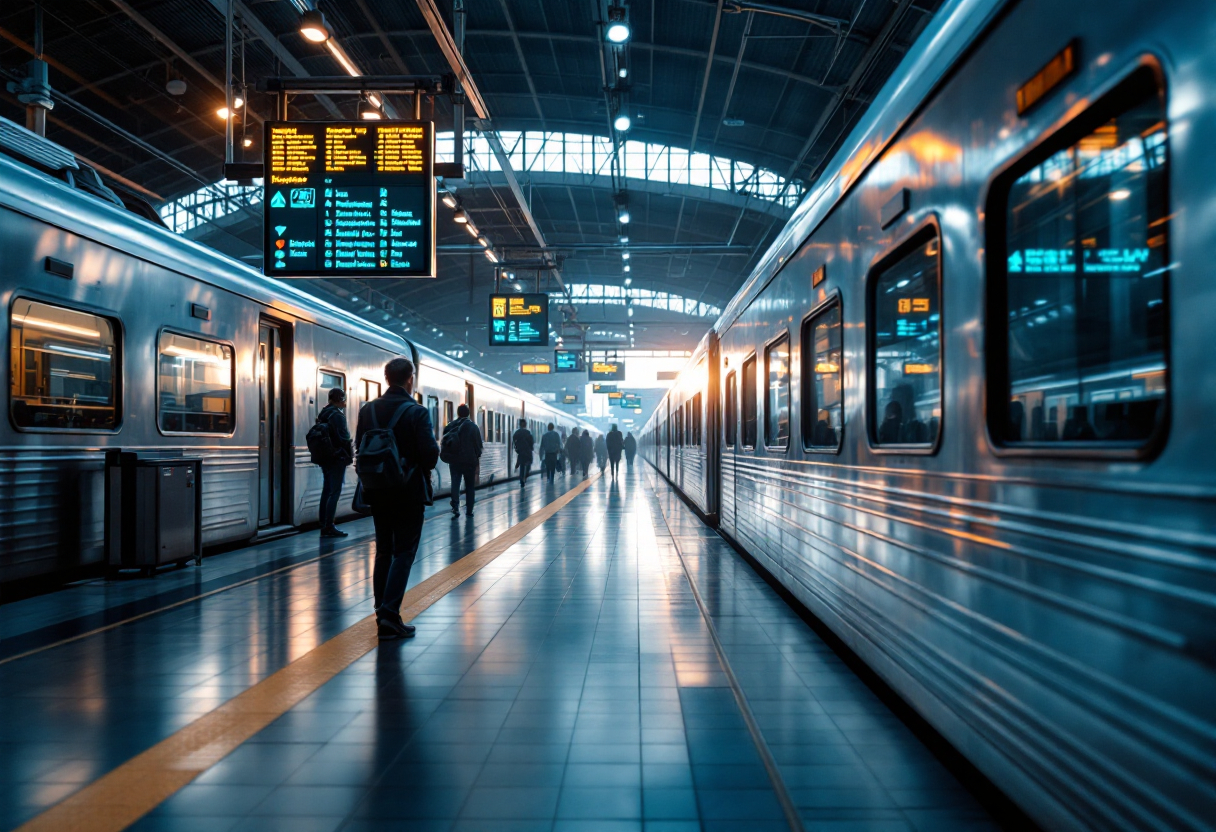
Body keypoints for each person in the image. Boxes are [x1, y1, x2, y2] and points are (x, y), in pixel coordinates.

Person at [355, 357, 439, 641]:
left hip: (377, 489)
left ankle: (382, 612)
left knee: (384, 550)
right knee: (404, 551)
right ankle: (390, 615)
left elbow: (360, 448)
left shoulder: (368, 411)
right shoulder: (417, 412)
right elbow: (429, 456)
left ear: (386, 377)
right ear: (410, 379)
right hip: (408, 490)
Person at [316, 387, 353, 538]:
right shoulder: (337, 416)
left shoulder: (323, 413)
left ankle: (323, 523)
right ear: (340, 399)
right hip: (337, 458)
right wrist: (349, 452)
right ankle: (329, 525)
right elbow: (343, 438)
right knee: (334, 491)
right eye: (344, 399)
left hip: (325, 457)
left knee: (327, 489)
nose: (345, 402)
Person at [443, 404, 483, 516]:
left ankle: (455, 506)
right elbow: (478, 446)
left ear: (458, 413)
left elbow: (445, 442)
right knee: (470, 485)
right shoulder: (473, 427)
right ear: (468, 413)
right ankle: (469, 509)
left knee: (455, 484)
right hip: (469, 461)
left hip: (454, 461)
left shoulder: (450, 426)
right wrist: (477, 461)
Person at [512, 418, 534, 487]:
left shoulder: (516, 433)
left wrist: (517, 448)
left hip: (521, 452)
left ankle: (522, 480)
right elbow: (531, 442)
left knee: (521, 466)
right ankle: (525, 476)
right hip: (527, 452)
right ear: (525, 425)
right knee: (528, 465)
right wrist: (531, 448)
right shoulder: (528, 432)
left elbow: (514, 441)